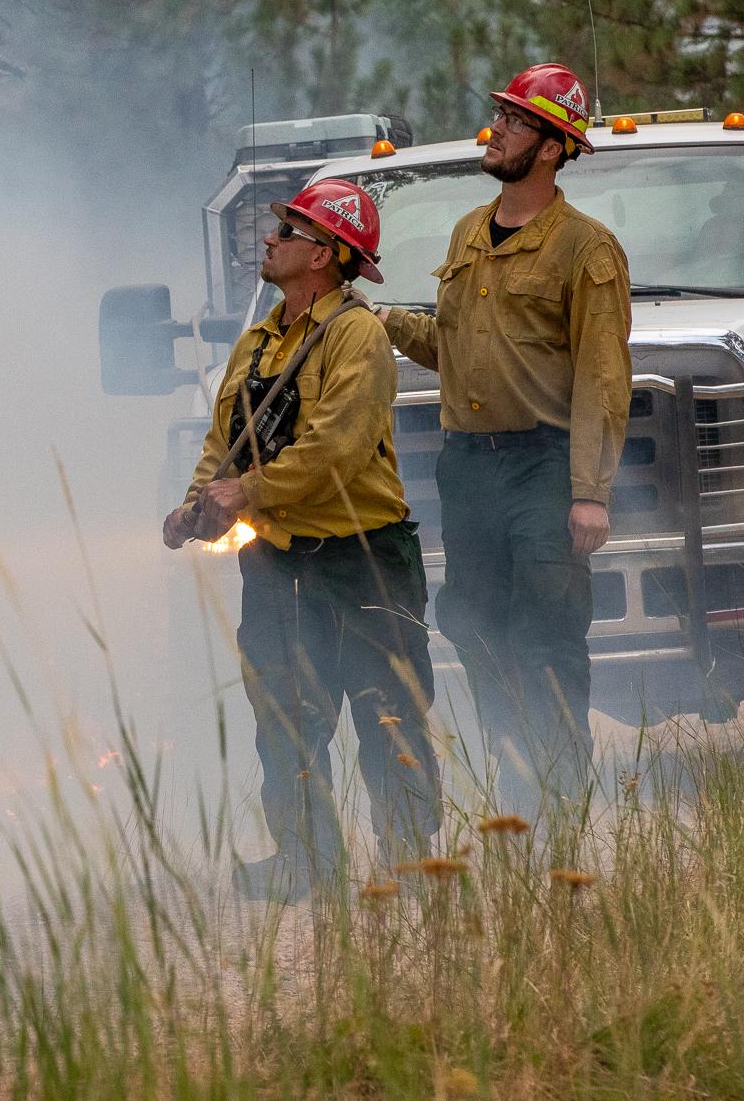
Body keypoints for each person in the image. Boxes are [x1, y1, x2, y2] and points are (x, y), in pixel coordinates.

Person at [163, 177, 442, 898]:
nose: (270, 239)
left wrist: (246, 493)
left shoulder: (357, 335)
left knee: (390, 716)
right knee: (284, 719)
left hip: (364, 560)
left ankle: (412, 863)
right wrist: (197, 505)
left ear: (322, 254)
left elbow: (335, 451)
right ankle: (307, 861)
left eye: (286, 232)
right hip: (279, 566)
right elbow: (224, 442)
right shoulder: (257, 343)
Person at [379, 63, 632, 819]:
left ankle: (558, 812)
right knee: (477, 631)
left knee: (549, 641)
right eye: (501, 118)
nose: (499, 132)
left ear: (554, 147)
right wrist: (381, 320)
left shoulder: (587, 251)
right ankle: (514, 792)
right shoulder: (468, 233)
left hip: (545, 469)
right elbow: (455, 345)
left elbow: (603, 379)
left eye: (518, 122)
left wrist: (589, 492)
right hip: (470, 472)